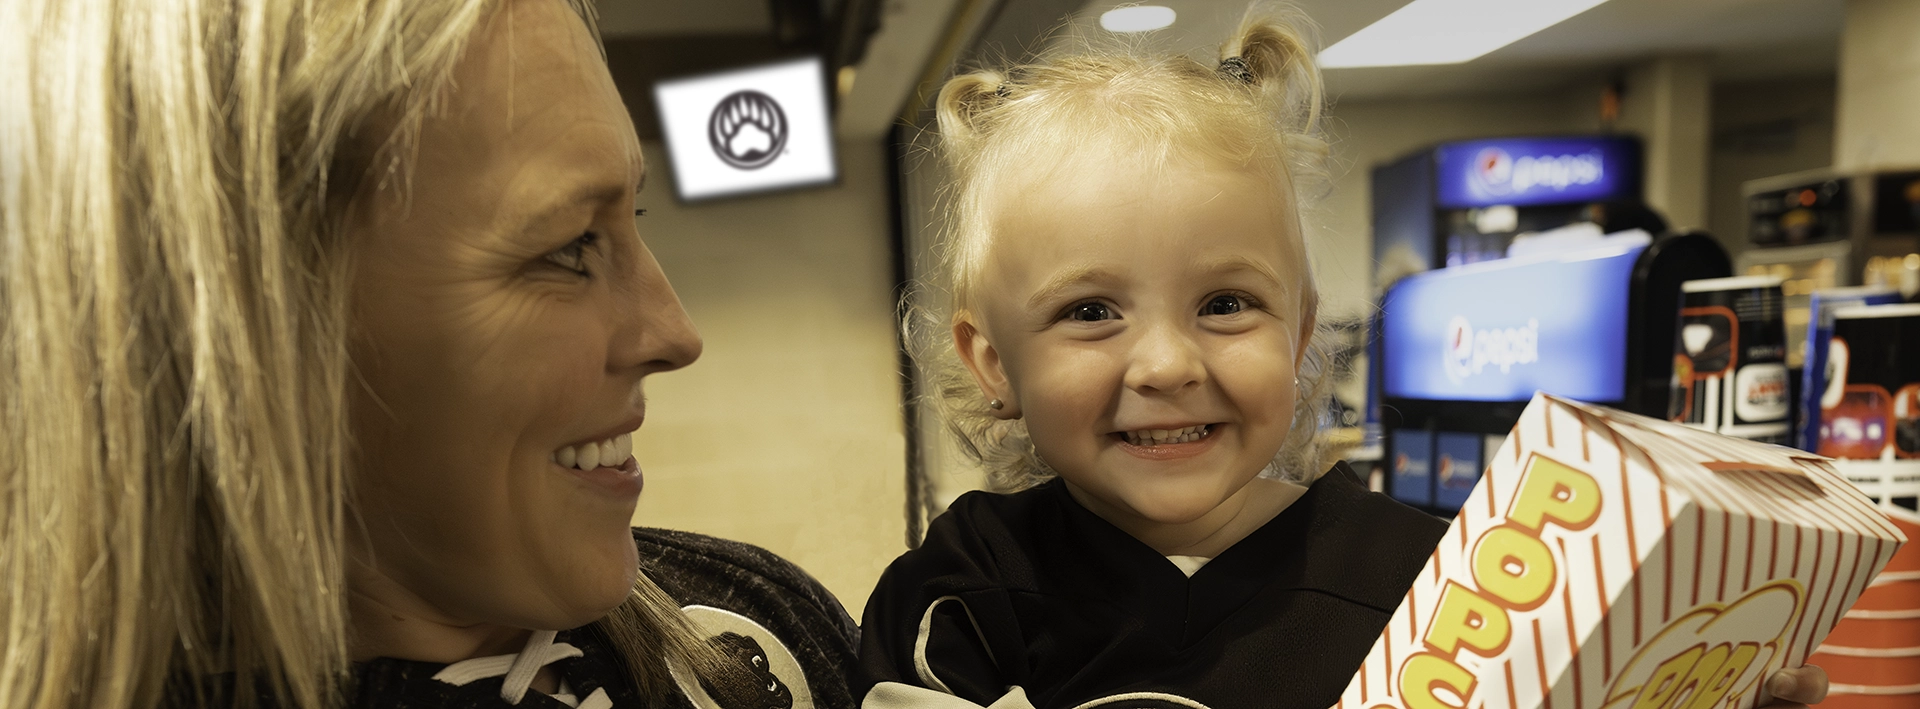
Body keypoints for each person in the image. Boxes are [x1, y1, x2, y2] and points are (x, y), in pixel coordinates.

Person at [853, 6, 1832, 709]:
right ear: (992, 361)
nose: (1165, 362)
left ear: (1301, 325)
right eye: (1092, 310)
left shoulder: (1449, 580)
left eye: (1226, 303)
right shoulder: (964, 593)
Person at [2, 1, 857, 707]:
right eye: (566, 246)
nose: (673, 332)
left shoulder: (756, 628)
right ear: (237, 335)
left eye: (634, 219)